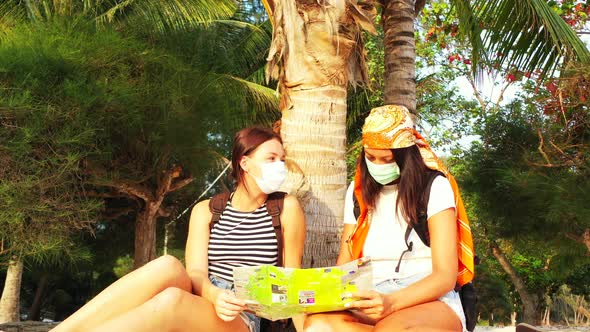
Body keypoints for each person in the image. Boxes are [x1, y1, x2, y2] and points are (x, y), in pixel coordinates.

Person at [51, 126, 306, 332]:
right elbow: (195, 272)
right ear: (245, 163)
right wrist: (215, 295)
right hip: (208, 296)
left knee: (172, 299)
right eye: (271, 158)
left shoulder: (286, 208)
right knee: (168, 265)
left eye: (282, 159)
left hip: (246, 316)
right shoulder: (207, 210)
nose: (280, 165)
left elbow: (291, 279)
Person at [304, 105, 475, 332]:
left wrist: (391, 303)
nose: (377, 165)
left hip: (426, 296)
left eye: (386, 159)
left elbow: (445, 275)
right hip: (369, 294)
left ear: (406, 156)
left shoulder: (434, 187)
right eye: (371, 157)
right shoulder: (356, 193)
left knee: (390, 329)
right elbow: (345, 266)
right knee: (318, 325)